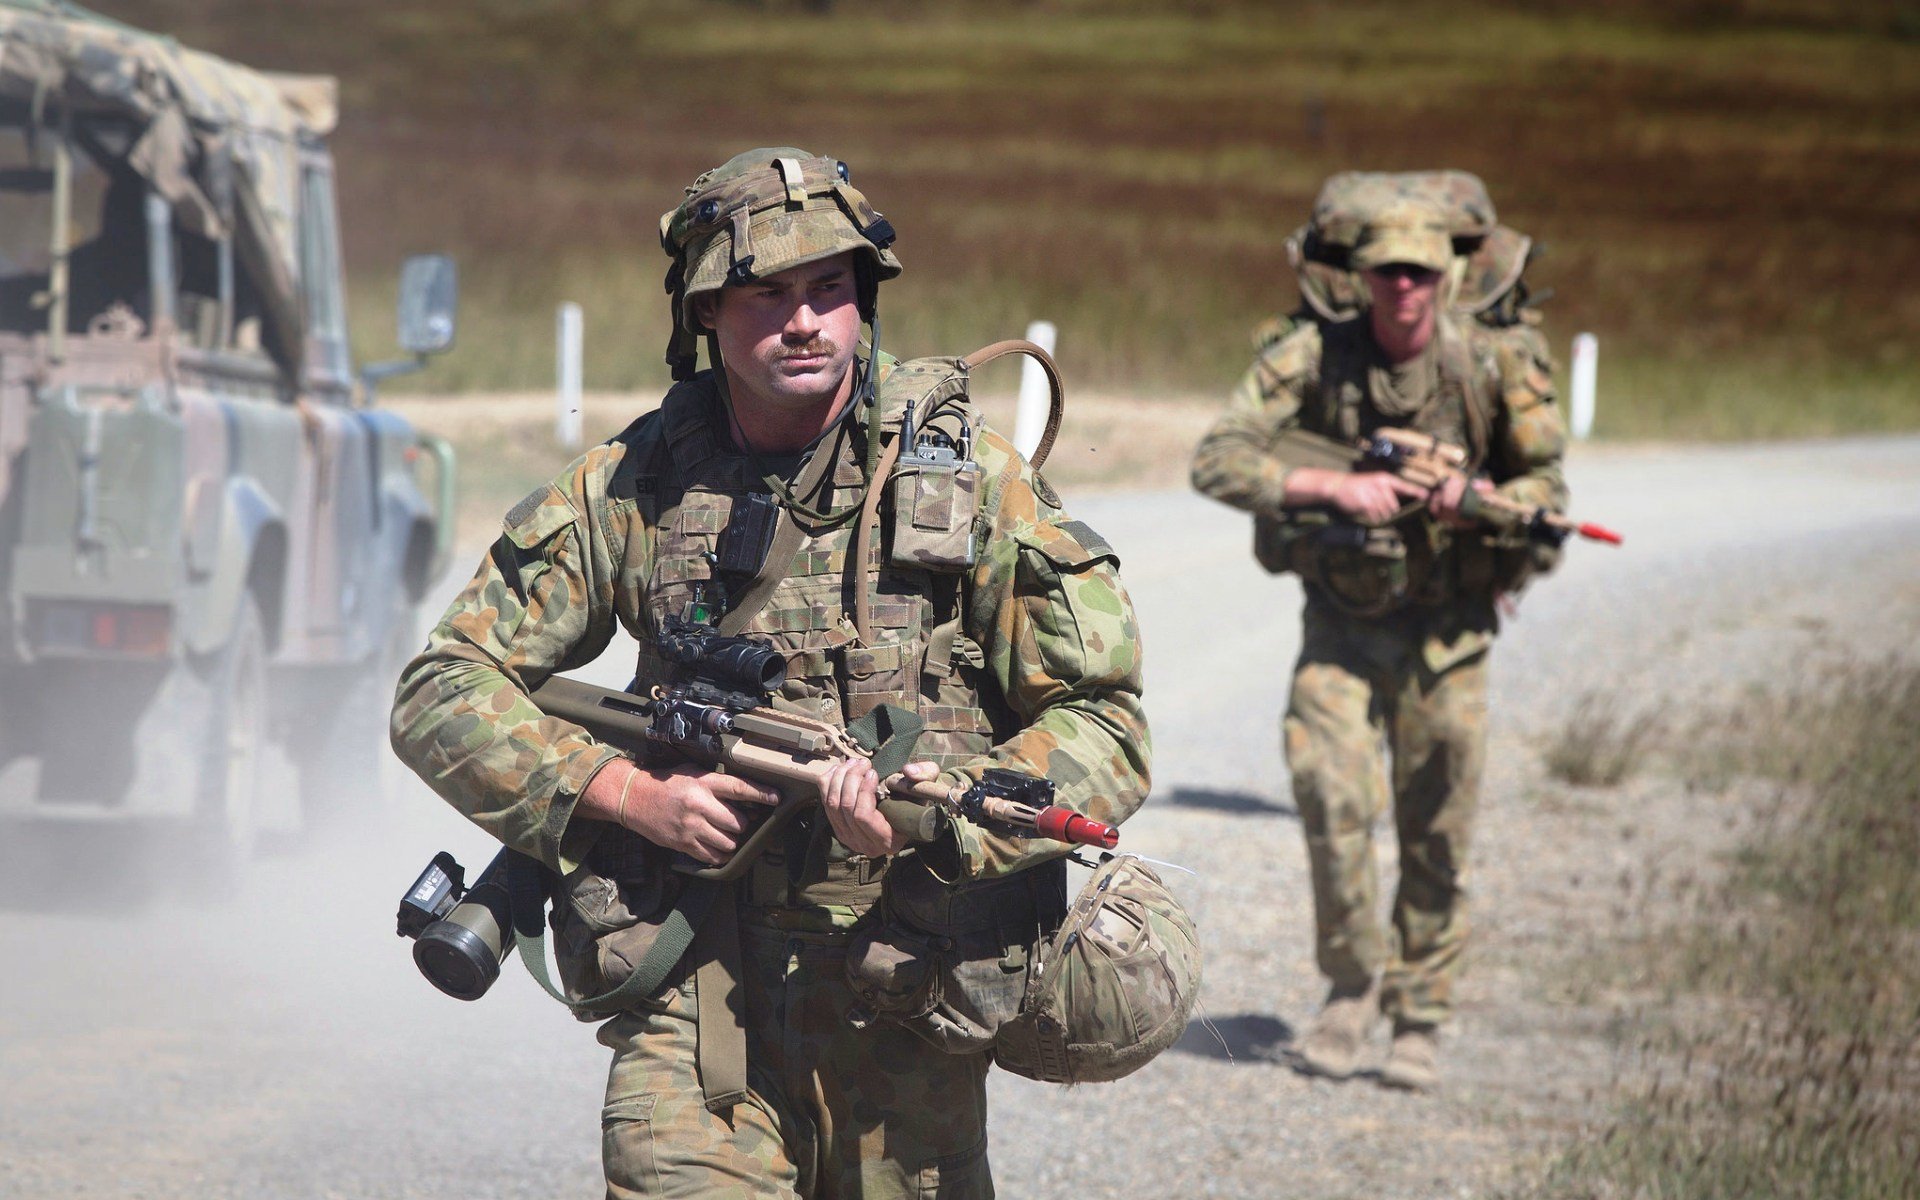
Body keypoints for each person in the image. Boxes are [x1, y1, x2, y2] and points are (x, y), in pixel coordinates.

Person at [391, 147, 1149, 1198]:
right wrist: (623, 794)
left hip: (904, 997)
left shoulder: (969, 486)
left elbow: (1104, 724)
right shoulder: (637, 484)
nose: (804, 322)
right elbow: (442, 687)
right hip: (692, 994)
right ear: (706, 310)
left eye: (827, 290)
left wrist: (938, 822)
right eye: (767, 293)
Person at [1189, 197, 1568, 1092]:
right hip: (1344, 625)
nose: (1404, 288)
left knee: (1437, 824)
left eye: (1422, 273)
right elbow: (1217, 458)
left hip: (1451, 634)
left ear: (1448, 279)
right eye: (1388, 272)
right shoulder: (1316, 353)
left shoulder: (1490, 362)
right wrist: (1330, 486)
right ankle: (1351, 991)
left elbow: (1547, 483)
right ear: (1363, 278)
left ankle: (1419, 1015)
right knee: (1329, 795)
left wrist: (1473, 494)